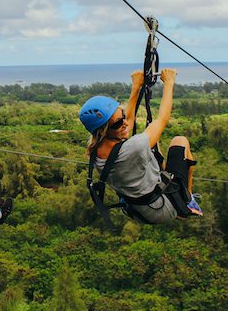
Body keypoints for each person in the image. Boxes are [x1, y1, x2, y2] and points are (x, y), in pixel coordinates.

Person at [79, 68, 201, 224]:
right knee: (180, 141)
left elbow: (126, 123)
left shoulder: (96, 149)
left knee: (154, 149)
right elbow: (162, 119)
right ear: (103, 131)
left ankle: (182, 197)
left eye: (122, 116)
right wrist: (169, 83)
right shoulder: (133, 148)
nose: (125, 123)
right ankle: (188, 200)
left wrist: (136, 88)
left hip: (138, 209)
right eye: (118, 123)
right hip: (163, 208)